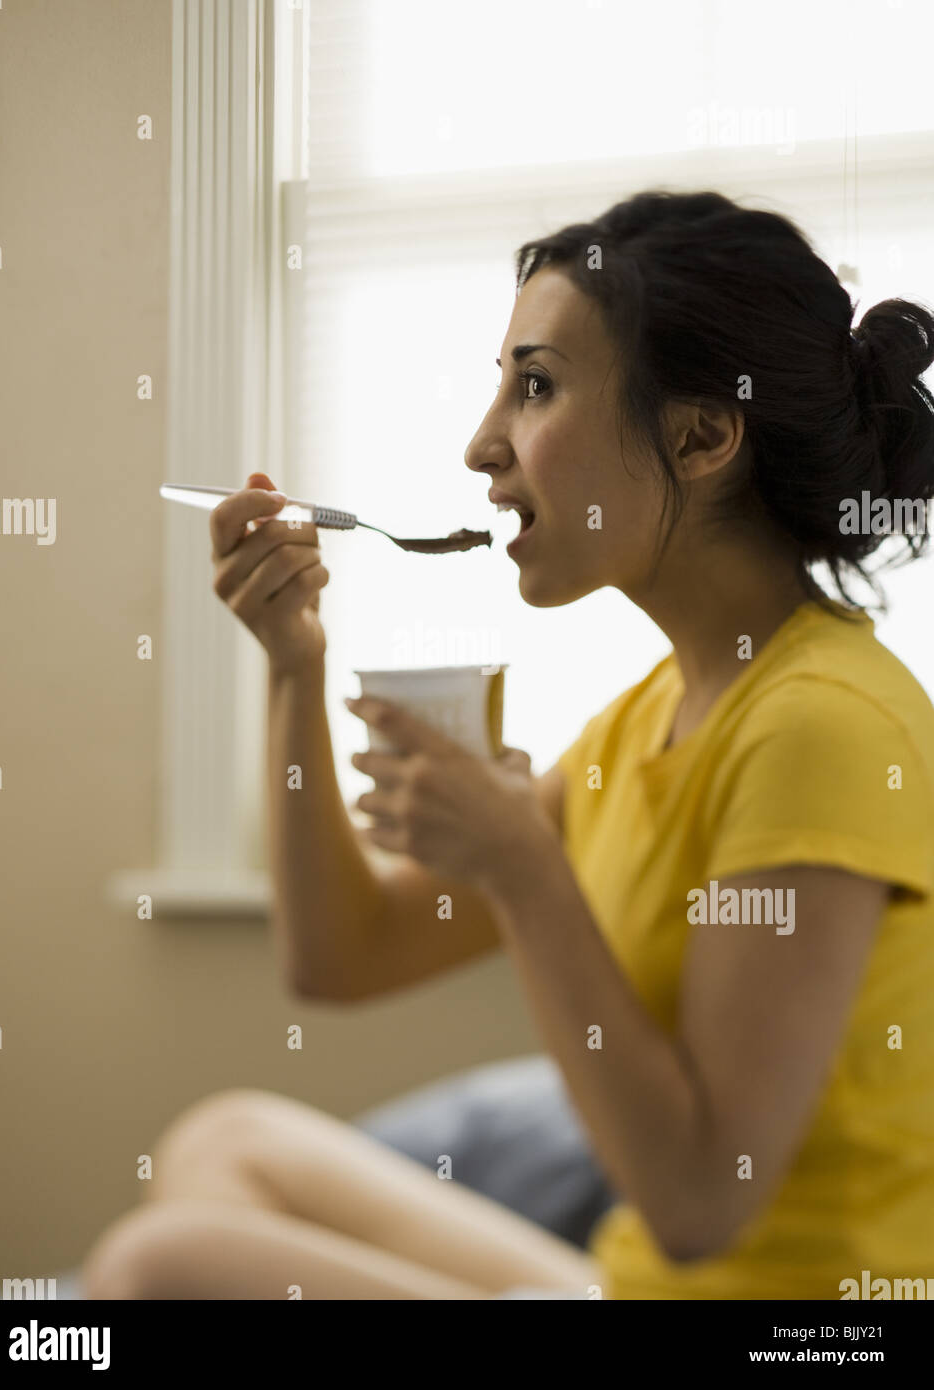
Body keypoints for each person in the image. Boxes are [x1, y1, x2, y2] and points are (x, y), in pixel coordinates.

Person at [81, 189, 934, 1300]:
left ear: (703, 432)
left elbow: (697, 1206)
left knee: (155, 1264)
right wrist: (294, 661)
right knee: (224, 1142)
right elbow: (342, 956)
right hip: (638, 1288)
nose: (482, 443)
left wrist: (524, 869)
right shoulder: (652, 717)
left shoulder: (820, 726)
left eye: (534, 386)